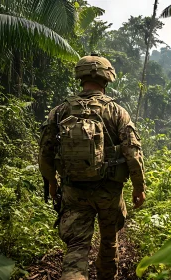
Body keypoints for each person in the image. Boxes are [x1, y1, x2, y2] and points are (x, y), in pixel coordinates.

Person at [38, 54, 146, 280]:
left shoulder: (59, 111)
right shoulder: (117, 112)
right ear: (107, 79)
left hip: (74, 190)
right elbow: (132, 154)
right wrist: (139, 187)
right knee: (108, 241)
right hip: (109, 190)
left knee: (77, 247)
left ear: (80, 77)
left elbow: (45, 153)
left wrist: (52, 183)